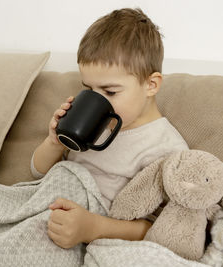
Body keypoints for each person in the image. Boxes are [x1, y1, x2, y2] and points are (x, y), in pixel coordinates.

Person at [31, 8, 189, 249]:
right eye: (89, 90)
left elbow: (160, 229)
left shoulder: (166, 150)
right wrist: (53, 142)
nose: (97, 100)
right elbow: (37, 173)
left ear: (151, 84)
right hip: (47, 205)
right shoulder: (94, 125)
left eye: (110, 92)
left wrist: (92, 228)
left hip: (85, 231)